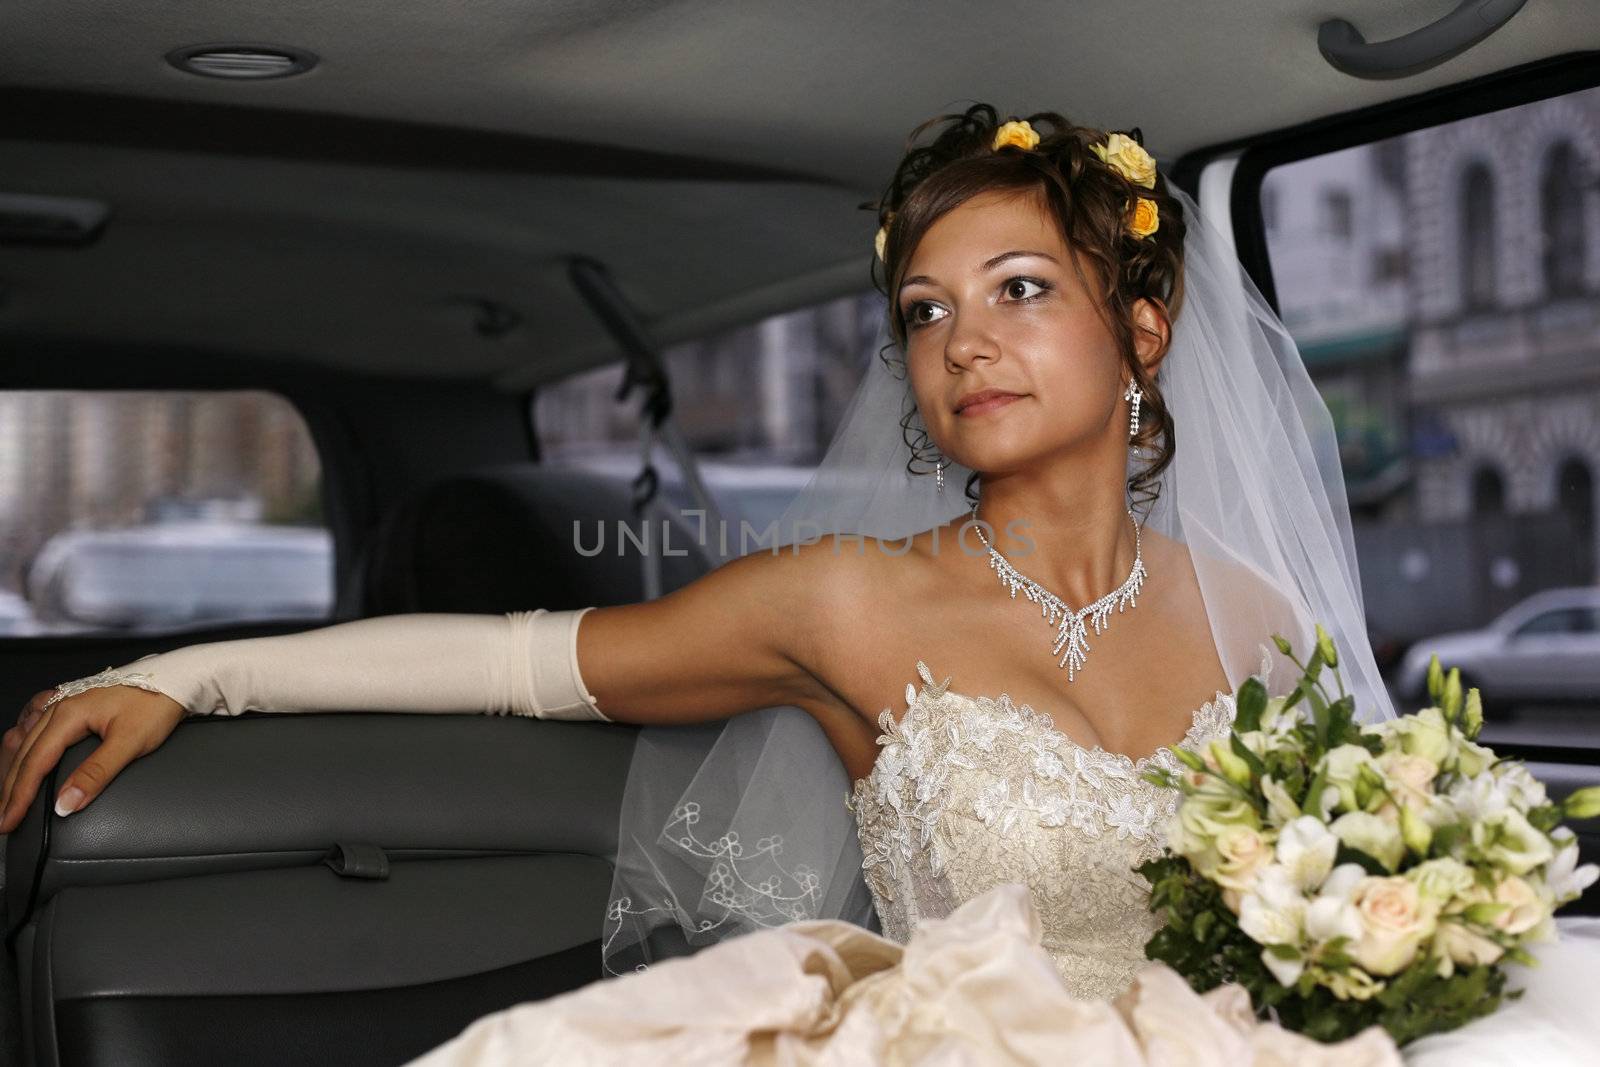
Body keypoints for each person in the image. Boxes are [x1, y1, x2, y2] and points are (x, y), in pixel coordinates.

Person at [2, 104, 1596, 1064]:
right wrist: (196, 675)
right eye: (923, 310)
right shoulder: (846, 602)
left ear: (1146, 325)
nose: (962, 341)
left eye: (1022, 290)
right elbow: (509, 659)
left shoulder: (1257, 615)